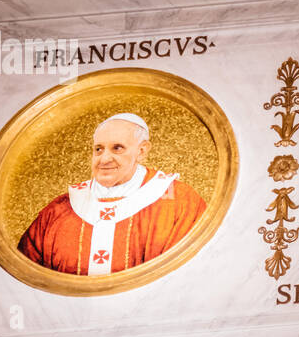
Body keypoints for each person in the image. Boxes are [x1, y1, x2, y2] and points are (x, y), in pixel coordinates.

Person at [18, 113, 206, 274]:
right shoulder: (59, 210)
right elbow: (27, 275)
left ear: (141, 151)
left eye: (117, 148)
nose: (105, 159)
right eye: (98, 149)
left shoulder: (179, 200)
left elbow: (190, 274)